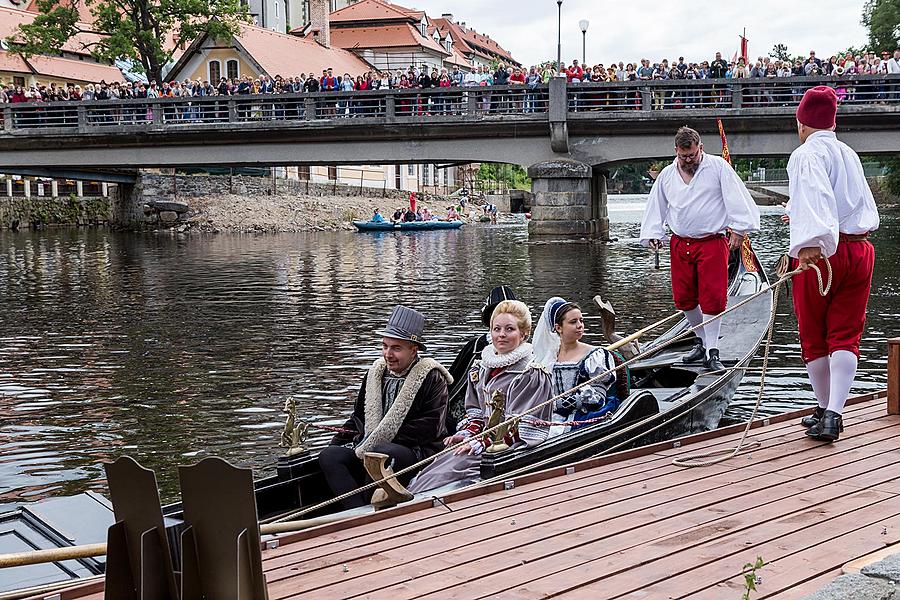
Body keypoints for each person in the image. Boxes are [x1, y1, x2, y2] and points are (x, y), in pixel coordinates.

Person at [786, 86, 879, 442]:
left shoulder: (806, 153)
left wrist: (808, 242)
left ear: (803, 122)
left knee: (814, 334)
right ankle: (834, 412)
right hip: (859, 250)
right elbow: (846, 202)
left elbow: (816, 199)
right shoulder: (847, 153)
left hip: (824, 255)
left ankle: (825, 410)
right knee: (845, 333)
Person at [639, 126, 760, 372]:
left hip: (712, 242)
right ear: (676, 152)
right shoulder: (666, 175)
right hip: (680, 242)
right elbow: (657, 206)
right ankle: (701, 341)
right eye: (683, 156)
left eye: (692, 155)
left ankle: (712, 350)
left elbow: (736, 198)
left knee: (713, 298)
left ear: (700, 148)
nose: (688, 160)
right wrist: (653, 233)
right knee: (684, 299)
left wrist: (738, 228)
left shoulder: (717, 167)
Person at [407, 300, 552, 493]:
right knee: (444, 458)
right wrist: (468, 432)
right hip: (485, 441)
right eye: (496, 329)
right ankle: (412, 493)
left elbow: (522, 427)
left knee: (454, 466)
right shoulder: (480, 368)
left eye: (509, 329)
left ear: (523, 334)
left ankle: (421, 498)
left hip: (510, 446)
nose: (501, 335)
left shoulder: (531, 373)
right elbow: (475, 412)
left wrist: (482, 442)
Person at [318, 306, 452, 509]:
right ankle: (355, 509)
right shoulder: (374, 375)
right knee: (330, 456)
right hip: (371, 446)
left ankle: (369, 507)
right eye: (385, 346)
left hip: (415, 451)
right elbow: (358, 417)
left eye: (396, 348)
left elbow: (430, 427)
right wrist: (338, 441)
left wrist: (376, 440)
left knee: (380, 452)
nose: (388, 354)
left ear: (413, 350)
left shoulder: (433, 378)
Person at [532, 298, 623, 437]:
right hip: (553, 415)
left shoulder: (595, 355)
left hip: (584, 414)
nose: (580, 325)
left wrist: (559, 404)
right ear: (558, 328)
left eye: (581, 320)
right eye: (573, 322)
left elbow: (598, 397)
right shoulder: (549, 358)